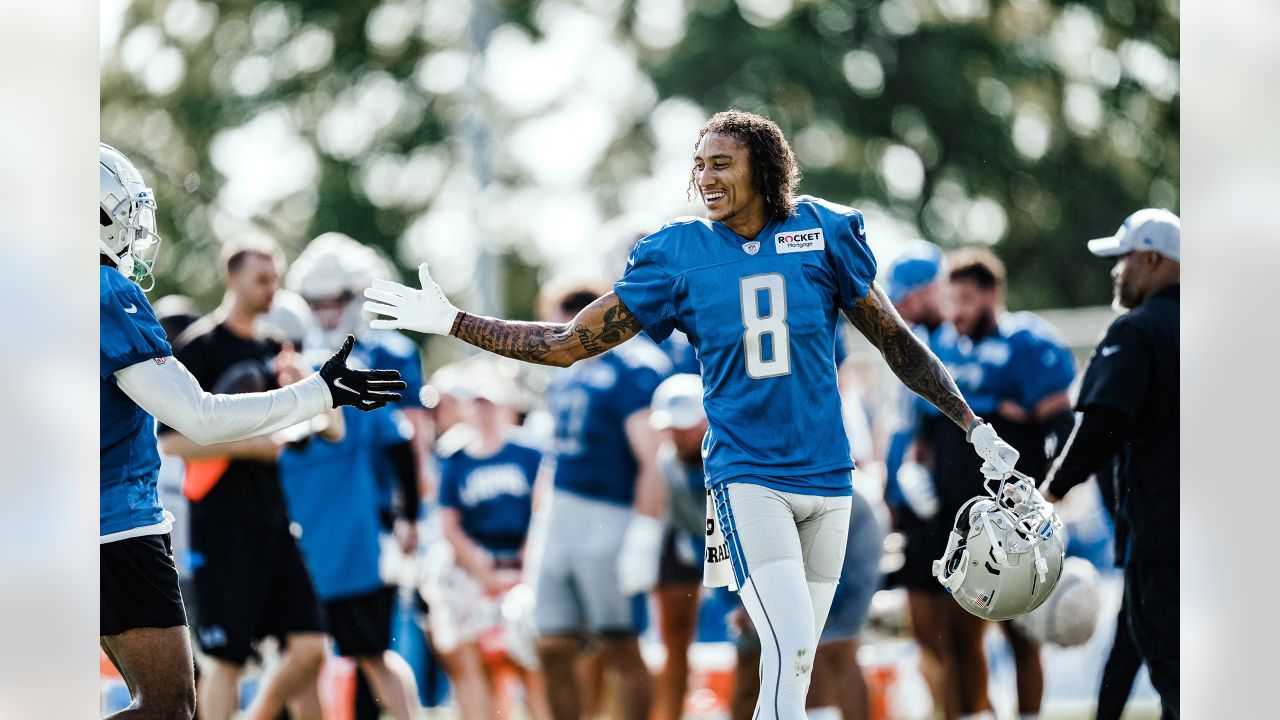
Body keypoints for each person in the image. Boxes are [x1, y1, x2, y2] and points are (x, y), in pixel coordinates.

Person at [361, 110, 1021, 720]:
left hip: (828, 475)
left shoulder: (823, 233)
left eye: (720, 163)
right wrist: (452, 320)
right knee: (789, 646)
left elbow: (899, 343)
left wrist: (973, 424)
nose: (704, 176)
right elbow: (565, 346)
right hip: (746, 476)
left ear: (763, 169)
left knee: (796, 658)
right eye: (698, 163)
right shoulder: (678, 255)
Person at [98, 143, 403, 720]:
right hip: (117, 526)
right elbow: (199, 418)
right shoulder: (107, 293)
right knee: (166, 706)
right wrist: (317, 392)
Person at [156, 238, 399, 720]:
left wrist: (311, 390)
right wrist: (253, 445)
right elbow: (171, 441)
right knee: (225, 662)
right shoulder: (199, 349)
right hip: (221, 524)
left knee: (310, 646)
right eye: (261, 280)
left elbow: (332, 431)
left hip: (276, 521)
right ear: (232, 279)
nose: (273, 290)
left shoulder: (277, 350)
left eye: (277, 280)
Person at [915, 248, 1077, 720]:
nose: (956, 311)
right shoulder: (943, 344)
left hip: (1014, 514)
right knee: (964, 629)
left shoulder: (1028, 342)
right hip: (959, 514)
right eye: (950, 299)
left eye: (965, 298)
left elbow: (1061, 427)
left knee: (1022, 632)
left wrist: (1049, 497)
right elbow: (928, 429)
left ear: (992, 295)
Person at [1043, 209, 1180, 720]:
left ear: (1151, 258)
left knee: (1177, 674)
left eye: (1124, 258)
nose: (1116, 270)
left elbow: (1102, 426)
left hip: (1166, 540)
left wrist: (1047, 494)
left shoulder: (1139, 331)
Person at [429, 376, 551, 720]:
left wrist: (526, 564)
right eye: (478, 405)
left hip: (523, 560)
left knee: (529, 657)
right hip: (475, 567)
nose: (484, 413)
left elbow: (542, 509)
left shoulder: (529, 452)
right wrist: (481, 568)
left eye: (491, 404)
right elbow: (449, 523)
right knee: (473, 658)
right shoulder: (456, 458)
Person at [647, 374, 712, 720]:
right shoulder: (667, 459)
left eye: (686, 425)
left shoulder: (732, 454)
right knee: (672, 642)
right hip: (689, 542)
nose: (679, 434)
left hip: (740, 548)